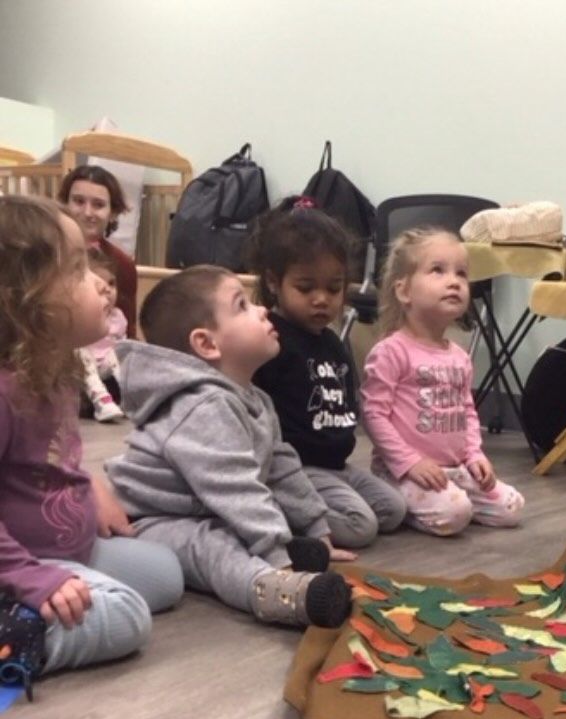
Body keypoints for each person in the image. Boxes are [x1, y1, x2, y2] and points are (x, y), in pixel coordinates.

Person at [106, 266, 354, 629]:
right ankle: (274, 590)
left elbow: (281, 465)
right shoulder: (202, 406)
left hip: (205, 507)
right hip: (154, 519)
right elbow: (233, 486)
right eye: (243, 305)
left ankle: (289, 552)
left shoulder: (254, 398)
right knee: (213, 545)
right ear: (207, 344)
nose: (262, 311)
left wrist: (316, 526)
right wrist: (275, 555)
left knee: (237, 526)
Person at [0, 195, 182, 685]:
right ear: (26, 299)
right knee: (127, 617)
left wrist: (91, 490)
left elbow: (53, 457)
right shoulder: (4, 390)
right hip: (17, 563)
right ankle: (10, 636)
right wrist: (31, 577)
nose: (102, 283)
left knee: (165, 576)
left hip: (66, 549)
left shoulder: (59, 366)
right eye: (78, 269)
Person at [247, 197, 406, 548]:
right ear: (274, 283)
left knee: (394, 510)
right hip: (296, 469)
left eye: (334, 289)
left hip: (337, 466)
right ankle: (276, 507)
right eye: (306, 288)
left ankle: (310, 508)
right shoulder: (270, 338)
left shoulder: (333, 341)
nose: (322, 299)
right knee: (360, 526)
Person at [360, 227, 525, 537]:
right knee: (456, 515)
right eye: (437, 270)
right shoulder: (391, 351)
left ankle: (449, 497)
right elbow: (373, 414)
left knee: (512, 507)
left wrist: (475, 455)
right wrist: (409, 463)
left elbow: (468, 412)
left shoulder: (459, 357)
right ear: (404, 291)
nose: (454, 281)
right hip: (404, 469)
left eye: (461, 274)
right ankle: (405, 498)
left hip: (455, 468)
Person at [58, 165, 138, 337]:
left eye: (98, 205)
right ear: (64, 204)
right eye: (79, 201)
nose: (87, 212)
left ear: (113, 213)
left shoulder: (123, 264)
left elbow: (129, 330)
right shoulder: (47, 253)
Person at [77, 247, 127, 422]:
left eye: (112, 283)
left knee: (121, 351)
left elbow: (121, 343)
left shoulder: (118, 317)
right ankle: (101, 401)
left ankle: (129, 396)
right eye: (99, 283)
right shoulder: (80, 315)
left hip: (108, 367)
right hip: (82, 370)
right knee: (80, 353)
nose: (108, 290)